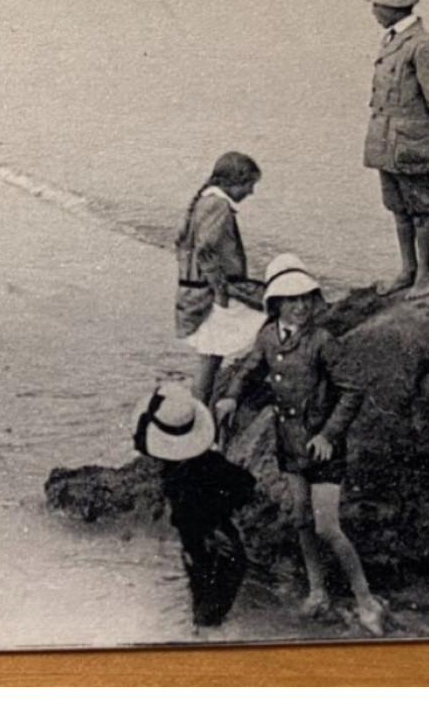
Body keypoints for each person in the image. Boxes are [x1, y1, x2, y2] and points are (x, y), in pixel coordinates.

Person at [214, 254, 386, 636]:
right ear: (275, 304)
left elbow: (352, 390)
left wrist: (328, 434)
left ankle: (366, 599)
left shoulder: (322, 342)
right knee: (301, 518)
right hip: (289, 446)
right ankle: (317, 590)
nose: (302, 305)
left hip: (322, 447)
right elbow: (247, 370)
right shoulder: (267, 337)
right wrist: (230, 398)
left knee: (328, 526)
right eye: (292, 299)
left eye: (307, 297)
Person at [132, 381, 254, 628]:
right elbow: (246, 484)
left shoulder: (178, 478)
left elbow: (184, 519)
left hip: (209, 549)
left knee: (205, 607)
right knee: (210, 606)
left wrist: (210, 528)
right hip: (220, 543)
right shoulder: (208, 463)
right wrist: (223, 515)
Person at [363, 0, 429, 300]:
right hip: (386, 142)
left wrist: (410, 121)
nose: (373, 10)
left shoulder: (421, 45)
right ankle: (408, 269)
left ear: (394, 7)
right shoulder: (392, 39)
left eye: (377, 4)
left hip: (408, 143)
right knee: (397, 206)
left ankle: (425, 276)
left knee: (419, 208)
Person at [175, 152, 265, 406]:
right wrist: (221, 293)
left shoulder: (205, 201)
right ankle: (205, 406)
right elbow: (206, 250)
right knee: (265, 321)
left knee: (210, 355)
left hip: (196, 288)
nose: (251, 192)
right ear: (234, 182)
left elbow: (186, 246)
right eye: (249, 185)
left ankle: (200, 408)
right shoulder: (218, 206)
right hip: (211, 290)